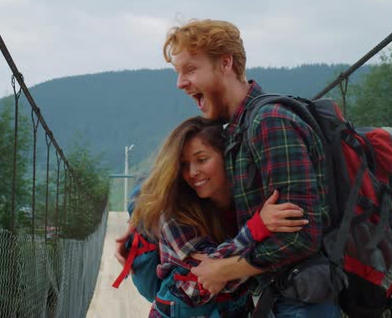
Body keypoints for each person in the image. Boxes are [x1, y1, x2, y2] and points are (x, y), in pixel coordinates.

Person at [163, 19, 340, 317]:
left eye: (190, 70)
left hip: (301, 301)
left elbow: (302, 236)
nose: (180, 83)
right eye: (178, 73)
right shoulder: (237, 131)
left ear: (225, 64)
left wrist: (223, 270)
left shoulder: (269, 121)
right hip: (279, 297)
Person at [116, 116, 309, 317]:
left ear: (226, 156)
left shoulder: (245, 200)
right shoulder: (173, 214)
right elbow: (211, 275)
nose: (192, 172)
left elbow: (226, 269)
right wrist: (258, 229)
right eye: (183, 164)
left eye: (202, 160)